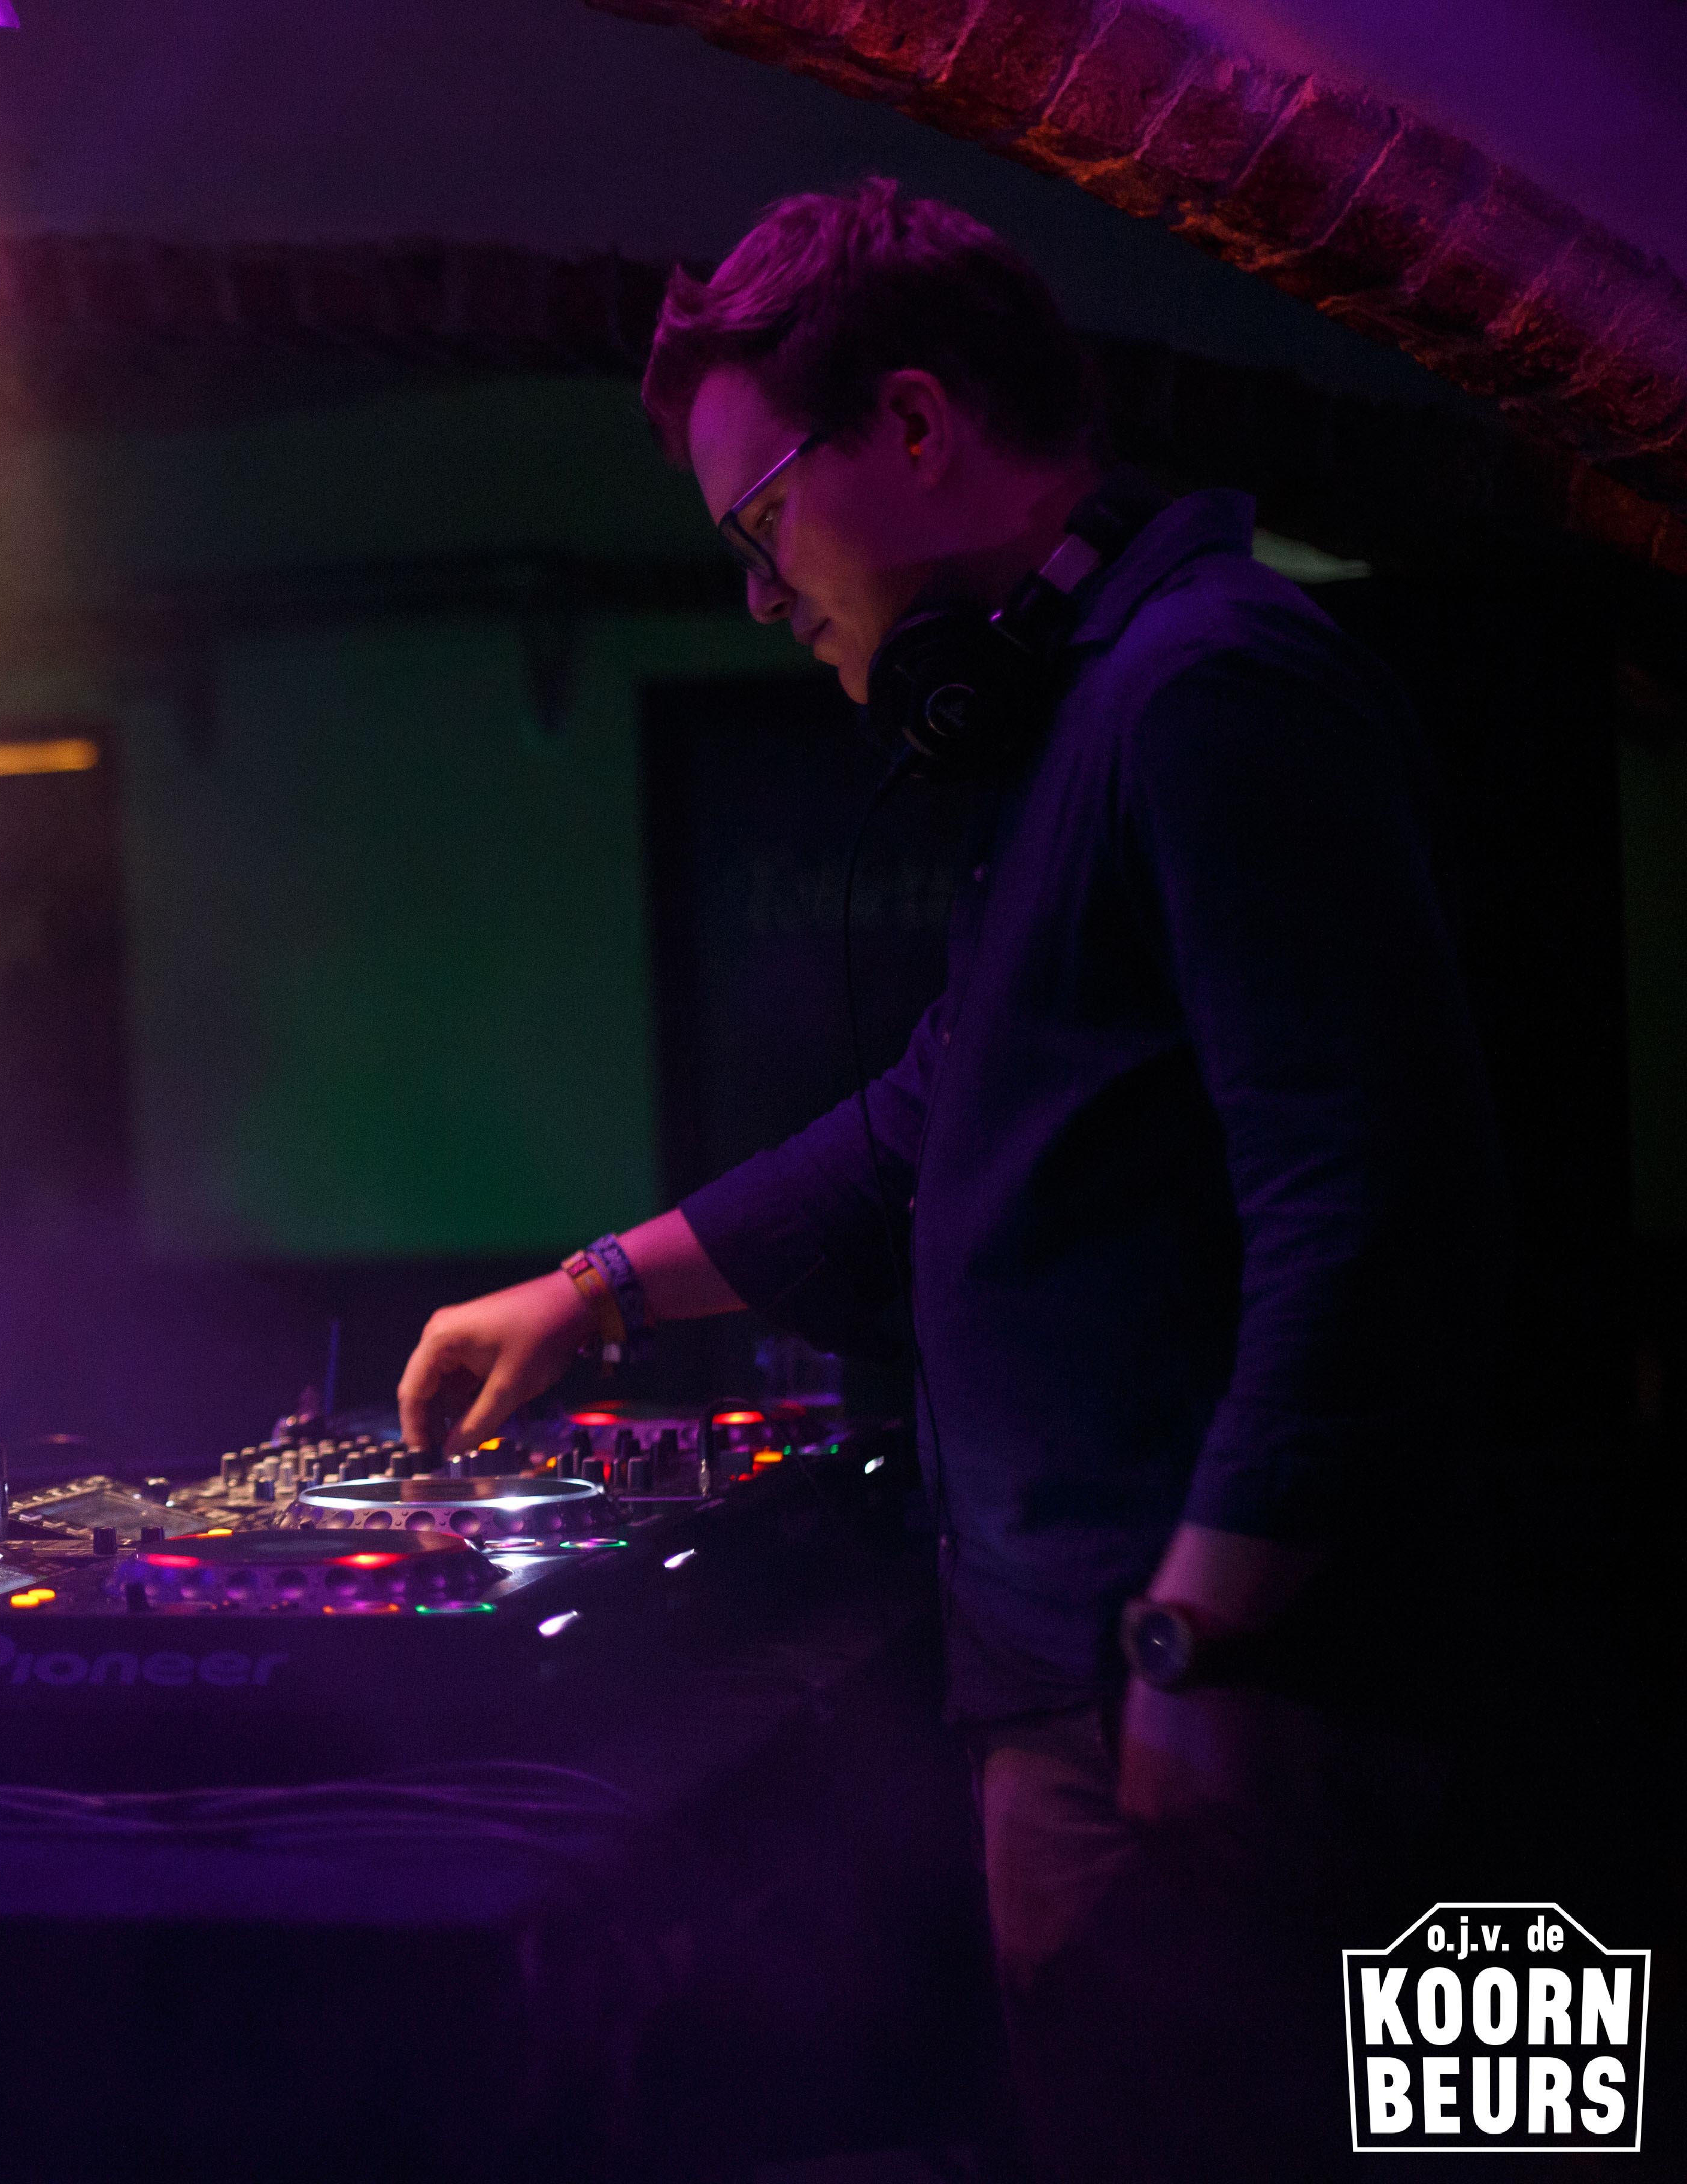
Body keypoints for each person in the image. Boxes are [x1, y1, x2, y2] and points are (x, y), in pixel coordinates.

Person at [396, 182, 1501, 2180]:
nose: (759, 596)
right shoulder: (1092, 707)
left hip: (1182, 1697)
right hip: (1105, 1678)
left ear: (912, 424)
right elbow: (935, 1108)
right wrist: (593, 1286)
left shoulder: (1207, 686)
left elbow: (1361, 1200)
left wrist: (1201, 1635)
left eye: (760, 527)